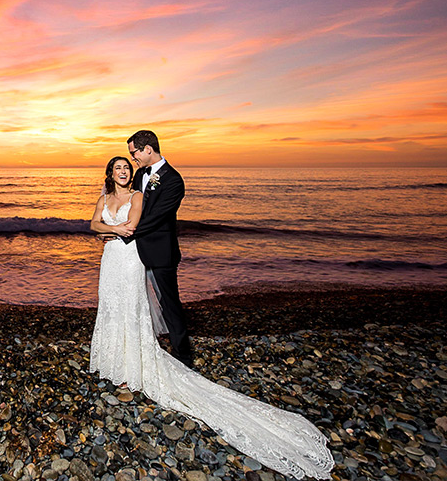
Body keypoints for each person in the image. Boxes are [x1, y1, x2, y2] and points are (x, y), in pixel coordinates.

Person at [89, 153, 334, 480]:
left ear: (130, 173)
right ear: (110, 173)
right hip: (110, 261)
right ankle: (113, 359)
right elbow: (92, 225)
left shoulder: (137, 196)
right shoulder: (103, 197)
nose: (122, 171)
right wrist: (106, 231)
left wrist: (110, 231)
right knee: (110, 304)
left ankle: (133, 363)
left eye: (126, 167)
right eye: (117, 168)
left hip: (131, 260)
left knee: (131, 309)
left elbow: (132, 227)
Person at [125, 129, 192, 366]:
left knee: (168, 302)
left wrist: (125, 233)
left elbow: (157, 217)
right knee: (138, 299)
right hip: (136, 250)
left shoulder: (173, 180)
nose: (133, 158)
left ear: (148, 150)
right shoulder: (140, 174)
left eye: (134, 153)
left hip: (160, 252)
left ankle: (183, 354)